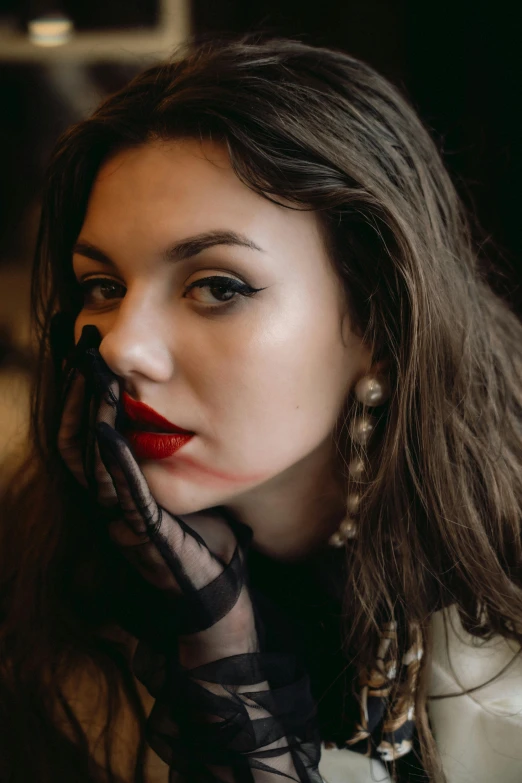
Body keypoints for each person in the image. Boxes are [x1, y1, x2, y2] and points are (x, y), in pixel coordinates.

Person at [1, 34, 522, 783]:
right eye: (102, 287)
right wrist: (213, 642)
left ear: (377, 319)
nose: (119, 348)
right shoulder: (44, 601)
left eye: (218, 286)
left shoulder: (494, 607)